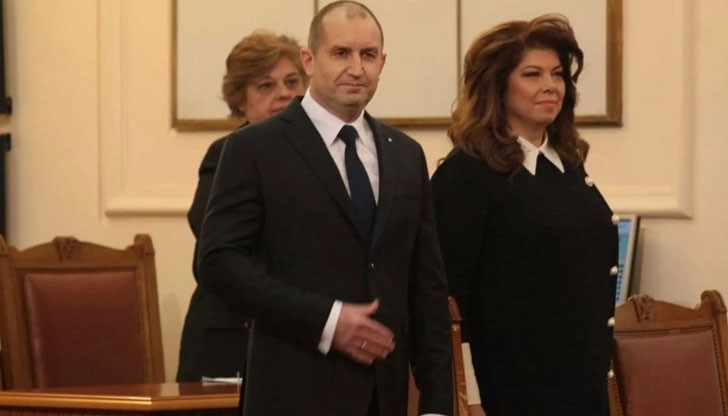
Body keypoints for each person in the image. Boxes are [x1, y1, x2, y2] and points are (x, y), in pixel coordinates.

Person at [196, 2, 453, 415]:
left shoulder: (405, 155)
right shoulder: (255, 148)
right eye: (341, 53)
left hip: (383, 397)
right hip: (292, 391)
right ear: (309, 60)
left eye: (368, 55)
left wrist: (437, 405)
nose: (357, 68)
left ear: (383, 63)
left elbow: (427, 290)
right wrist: (328, 322)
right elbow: (217, 262)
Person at [431, 14, 618, 416]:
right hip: (508, 391)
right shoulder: (467, 173)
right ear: (497, 85)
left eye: (557, 74)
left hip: (580, 388)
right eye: (532, 74)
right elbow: (447, 300)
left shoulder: (566, 161)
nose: (551, 85)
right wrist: (469, 396)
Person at [176, 30, 307, 382]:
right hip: (229, 342)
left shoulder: (323, 156)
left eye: (292, 81)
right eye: (266, 86)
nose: (284, 94)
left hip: (297, 341)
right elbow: (215, 245)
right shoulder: (225, 154)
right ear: (240, 99)